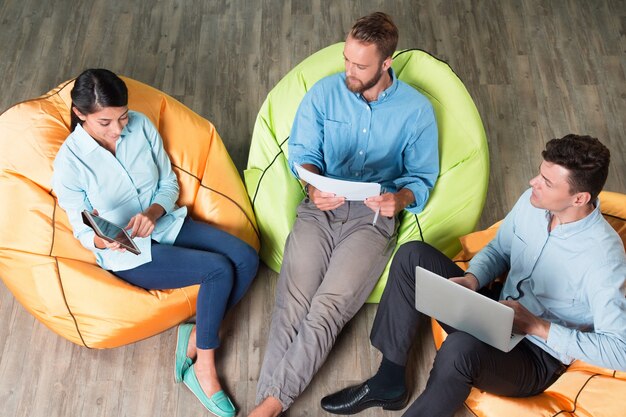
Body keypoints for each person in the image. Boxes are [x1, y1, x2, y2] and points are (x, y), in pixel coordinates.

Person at [321, 134, 626, 417]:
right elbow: (500, 249)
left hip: (534, 355)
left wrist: (538, 326)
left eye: (547, 181)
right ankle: (388, 381)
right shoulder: (533, 203)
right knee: (412, 255)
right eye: (539, 173)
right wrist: (472, 279)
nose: (534, 182)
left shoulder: (602, 260)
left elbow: (619, 350)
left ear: (579, 198)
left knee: (459, 350)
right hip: (494, 309)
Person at [249, 12, 439, 417]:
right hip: (320, 210)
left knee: (327, 309)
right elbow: (302, 155)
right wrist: (313, 186)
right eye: (346, 59)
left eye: (360, 65)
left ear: (386, 63)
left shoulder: (416, 111)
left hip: (371, 221)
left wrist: (399, 200)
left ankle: (266, 407)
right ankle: (269, 405)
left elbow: (421, 178)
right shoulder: (323, 93)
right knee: (292, 303)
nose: (349, 71)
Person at [52, 69, 258, 417]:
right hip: (129, 254)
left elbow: (168, 184)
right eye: (105, 122)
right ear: (80, 114)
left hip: (164, 223)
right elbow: (82, 229)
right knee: (218, 271)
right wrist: (103, 242)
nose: (118, 128)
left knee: (246, 257)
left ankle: (193, 335)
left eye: (122, 116)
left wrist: (152, 211)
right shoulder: (69, 165)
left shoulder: (142, 125)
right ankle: (204, 366)